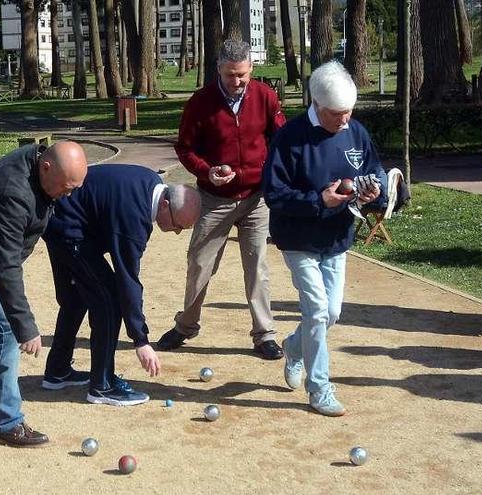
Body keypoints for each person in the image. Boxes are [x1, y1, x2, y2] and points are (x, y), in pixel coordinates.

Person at [262, 61, 386, 417]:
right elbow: (275, 194)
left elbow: (372, 169)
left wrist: (372, 193)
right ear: (316, 105)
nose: (344, 121)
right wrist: (319, 200)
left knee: (331, 313)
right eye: (337, 114)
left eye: (349, 112)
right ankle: (320, 389)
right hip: (298, 238)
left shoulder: (356, 132)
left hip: (337, 236)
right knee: (316, 310)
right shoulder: (290, 138)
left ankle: (293, 346)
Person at [0, 141, 88, 447]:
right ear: (46, 167)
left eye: (74, 187)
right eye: (66, 187)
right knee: (6, 328)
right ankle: (7, 422)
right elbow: (6, 265)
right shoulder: (13, 192)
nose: (68, 194)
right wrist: (26, 326)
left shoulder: (40, 166)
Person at [156, 40, 287, 360]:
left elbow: (280, 139)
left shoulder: (265, 97)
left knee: (257, 266)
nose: (237, 81)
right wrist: (207, 170)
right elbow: (185, 148)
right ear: (219, 69)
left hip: (256, 198)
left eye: (242, 74)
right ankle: (186, 326)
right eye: (231, 75)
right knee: (199, 264)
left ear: (251, 69)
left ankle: (264, 333)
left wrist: (266, 175)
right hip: (214, 198)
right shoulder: (201, 102)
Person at [41, 164, 200, 406]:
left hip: (64, 218)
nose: (177, 232)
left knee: (76, 298)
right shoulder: (134, 219)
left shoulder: (151, 182)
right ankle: (102, 386)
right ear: (165, 205)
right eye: (178, 225)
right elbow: (128, 280)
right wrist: (140, 340)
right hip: (68, 229)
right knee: (110, 300)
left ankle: (58, 370)